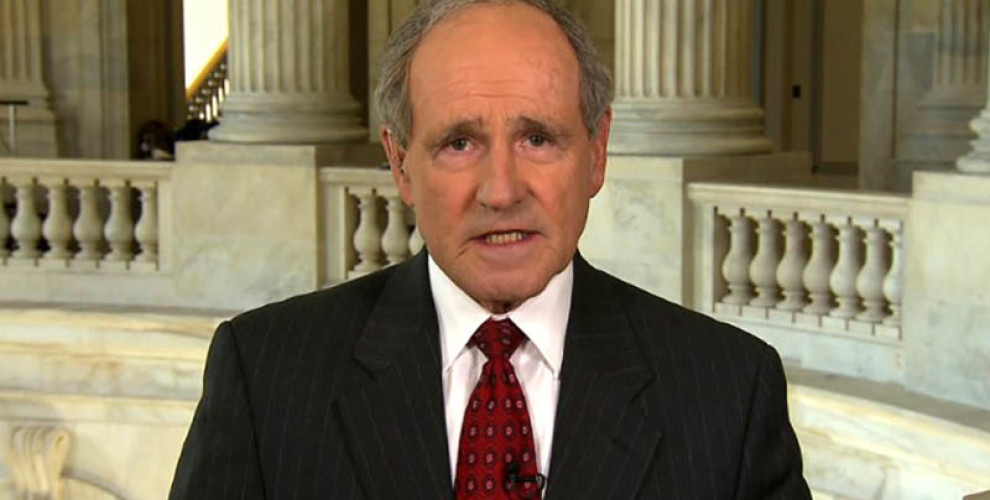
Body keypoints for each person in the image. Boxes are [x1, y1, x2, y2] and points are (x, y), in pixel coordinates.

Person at [169, 1, 812, 498]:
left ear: (597, 154)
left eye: (538, 139)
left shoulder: (729, 392)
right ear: (400, 164)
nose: (502, 191)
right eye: (459, 143)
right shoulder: (265, 378)